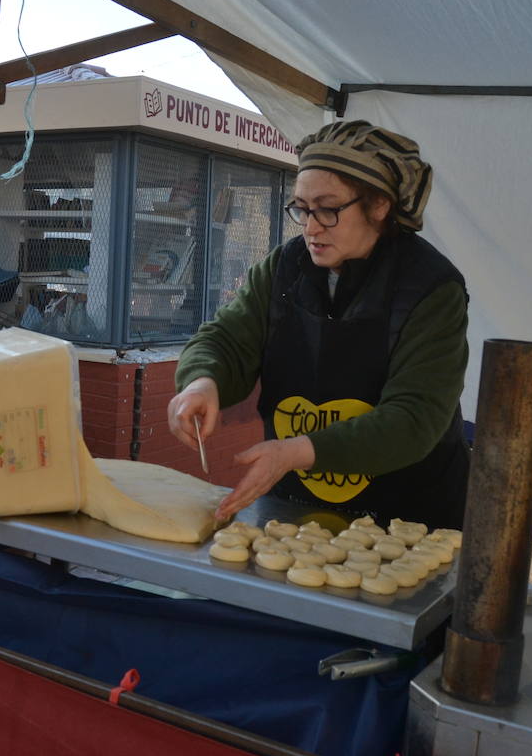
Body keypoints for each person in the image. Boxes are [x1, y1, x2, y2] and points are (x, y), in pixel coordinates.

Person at [168, 120, 470, 529]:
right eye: (302, 208)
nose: (310, 227)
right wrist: (202, 381)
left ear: (379, 205)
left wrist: (293, 452)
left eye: (328, 209)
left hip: (409, 516)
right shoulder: (285, 267)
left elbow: (414, 420)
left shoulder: (431, 288)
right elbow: (225, 339)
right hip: (295, 507)